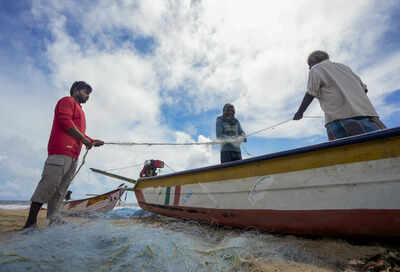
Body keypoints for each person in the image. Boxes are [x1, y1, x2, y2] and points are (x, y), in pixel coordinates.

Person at [23, 81, 104, 229]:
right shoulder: (67, 101)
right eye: (86, 92)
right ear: (76, 90)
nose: (88, 97)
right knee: (49, 185)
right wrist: (86, 140)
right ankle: (30, 223)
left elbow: (80, 133)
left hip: (73, 156)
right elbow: (64, 121)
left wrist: (92, 141)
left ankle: (54, 219)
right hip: (61, 152)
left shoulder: (80, 110)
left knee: (61, 190)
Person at [293, 50, 386, 140]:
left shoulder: (316, 69)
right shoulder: (345, 67)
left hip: (341, 120)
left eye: (309, 65)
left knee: (349, 151)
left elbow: (310, 93)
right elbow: (364, 89)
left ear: (314, 61)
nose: (309, 68)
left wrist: (300, 112)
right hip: (372, 117)